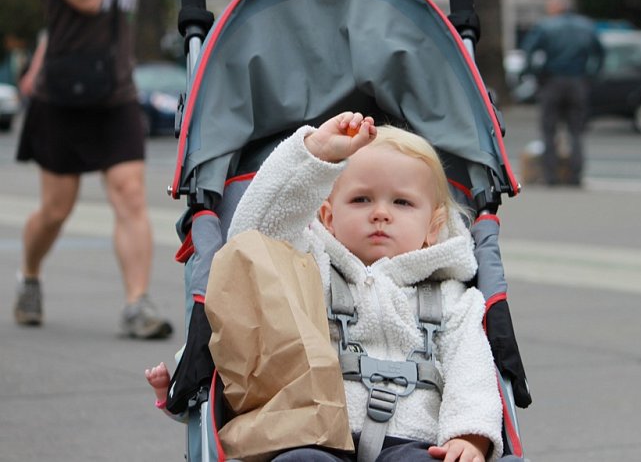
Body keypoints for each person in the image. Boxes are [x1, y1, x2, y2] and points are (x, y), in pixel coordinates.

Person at [197, 111, 506, 461]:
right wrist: (316, 154)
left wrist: (469, 436)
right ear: (328, 217)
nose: (380, 213)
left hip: (415, 442)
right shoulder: (312, 267)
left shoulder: (452, 297)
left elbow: (471, 370)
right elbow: (254, 242)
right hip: (320, 436)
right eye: (361, 199)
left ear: (433, 227)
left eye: (402, 202)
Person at [13, 0, 172, 339]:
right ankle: (29, 274)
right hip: (64, 97)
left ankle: (137, 304)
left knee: (130, 194)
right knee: (56, 210)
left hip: (117, 95)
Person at [520, 0, 605, 186]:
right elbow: (600, 53)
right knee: (576, 132)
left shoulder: (545, 26)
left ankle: (551, 175)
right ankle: (575, 176)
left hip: (552, 82)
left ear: (555, 7)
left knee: (549, 131)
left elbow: (528, 51)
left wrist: (535, 74)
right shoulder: (586, 26)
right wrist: (591, 76)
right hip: (578, 82)